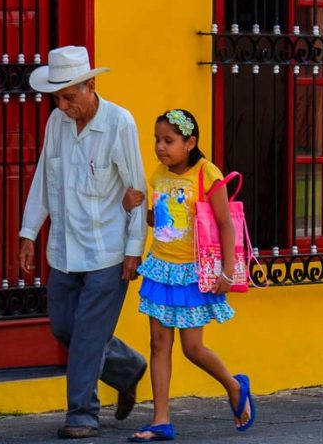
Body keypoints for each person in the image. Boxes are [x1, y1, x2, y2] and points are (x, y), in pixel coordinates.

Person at [20, 45, 149, 440]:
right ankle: (127, 368)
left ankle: (82, 414)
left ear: (91, 86)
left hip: (108, 252)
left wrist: (132, 250)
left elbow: (136, 189)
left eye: (69, 97)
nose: (62, 105)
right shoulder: (55, 124)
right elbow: (44, 176)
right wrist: (29, 232)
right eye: (57, 97)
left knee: (89, 336)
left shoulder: (119, 123)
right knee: (64, 328)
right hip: (63, 250)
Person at [127, 109, 256, 442]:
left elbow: (226, 224)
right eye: (157, 140)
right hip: (161, 268)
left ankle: (234, 385)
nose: (160, 147)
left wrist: (227, 271)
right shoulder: (158, 175)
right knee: (158, 344)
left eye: (168, 141)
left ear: (190, 142)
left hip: (192, 272)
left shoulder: (207, 173)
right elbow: (162, 222)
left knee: (193, 347)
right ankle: (160, 420)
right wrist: (138, 207)